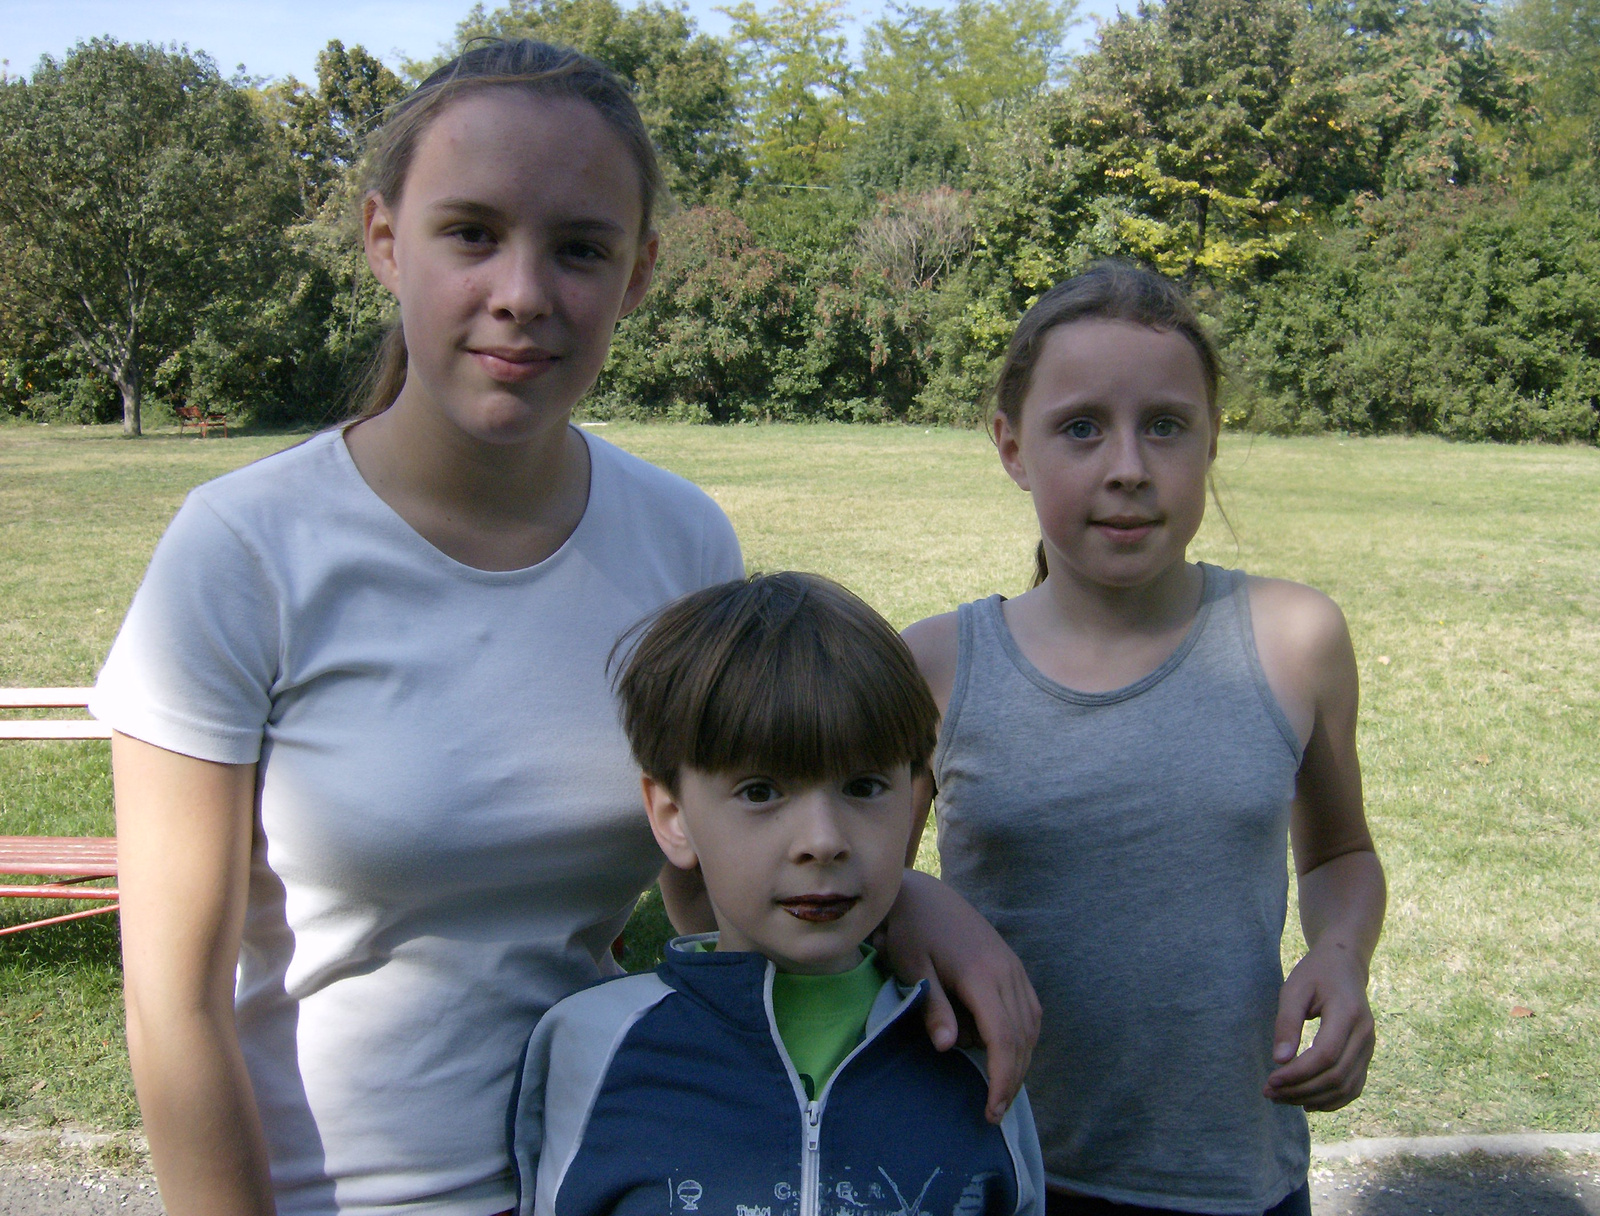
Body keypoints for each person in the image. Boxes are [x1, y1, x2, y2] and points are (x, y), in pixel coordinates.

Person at [90, 41, 1037, 1216]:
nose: (524, 292)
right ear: (386, 240)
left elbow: (707, 888)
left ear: (636, 274)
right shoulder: (241, 552)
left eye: (579, 248)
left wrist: (907, 896)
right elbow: (170, 1007)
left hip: (599, 1173)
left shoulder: (679, 538)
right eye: (472, 232)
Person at [903, 262, 1387, 1216]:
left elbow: (1340, 850)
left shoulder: (1295, 640)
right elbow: (835, 881)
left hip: (1227, 1174)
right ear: (1010, 446)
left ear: (1210, 443)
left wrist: (1340, 951)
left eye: (1165, 425)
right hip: (996, 1165)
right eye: (1080, 427)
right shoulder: (936, 665)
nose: (1127, 465)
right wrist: (911, 899)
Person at [511, 572, 1045, 1216]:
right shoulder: (593, 1049)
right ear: (673, 816)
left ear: (913, 793)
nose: (822, 841)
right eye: (761, 791)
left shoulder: (970, 1051)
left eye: (864, 786)